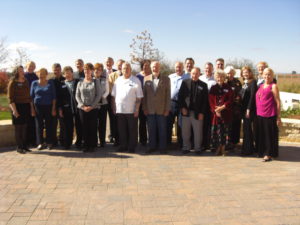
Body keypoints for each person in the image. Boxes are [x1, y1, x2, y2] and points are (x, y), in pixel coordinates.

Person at [111, 62, 143, 153]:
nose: (126, 70)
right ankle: (123, 146)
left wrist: (137, 109)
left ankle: (132, 146)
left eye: (127, 68)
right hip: (120, 110)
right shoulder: (118, 80)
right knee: (122, 130)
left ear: (131, 69)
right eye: (124, 68)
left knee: (132, 130)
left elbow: (139, 97)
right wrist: (114, 108)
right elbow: (113, 96)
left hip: (131, 110)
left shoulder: (136, 80)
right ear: (121, 69)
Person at [178, 67, 208, 154]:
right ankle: (186, 147)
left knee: (198, 132)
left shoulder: (203, 85)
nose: (194, 75)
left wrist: (202, 112)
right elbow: (180, 97)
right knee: (185, 132)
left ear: (199, 74)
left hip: (197, 113)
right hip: (186, 112)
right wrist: (182, 108)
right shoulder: (185, 82)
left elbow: (204, 101)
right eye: (193, 73)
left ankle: (197, 148)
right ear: (191, 73)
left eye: (196, 73)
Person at [143, 61, 170, 154]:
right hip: (150, 109)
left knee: (162, 130)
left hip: (161, 109)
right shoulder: (146, 79)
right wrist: (144, 108)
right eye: (154, 67)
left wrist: (167, 109)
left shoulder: (166, 79)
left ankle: (162, 148)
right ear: (151, 68)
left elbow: (168, 95)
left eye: (157, 66)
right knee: (151, 130)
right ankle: (152, 147)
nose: (155, 68)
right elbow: (144, 95)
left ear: (160, 68)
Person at [7, 66, 35, 153]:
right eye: (20, 71)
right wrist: (14, 110)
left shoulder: (26, 81)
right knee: (18, 128)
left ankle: (24, 146)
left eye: (23, 70)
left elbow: (29, 96)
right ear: (16, 72)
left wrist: (31, 108)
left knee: (25, 127)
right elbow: (10, 98)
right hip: (17, 106)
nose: (22, 72)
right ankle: (19, 147)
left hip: (26, 106)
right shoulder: (13, 82)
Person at [256, 68, 281, 162]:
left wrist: (278, 117)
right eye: (265, 74)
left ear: (272, 75)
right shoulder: (261, 85)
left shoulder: (273, 86)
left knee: (269, 135)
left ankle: (268, 154)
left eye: (269, 74)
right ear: (262, 75)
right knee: (262, 135)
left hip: (270, 114)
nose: (267, 76)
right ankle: (263, 152)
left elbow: (278, 102)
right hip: (260, 114)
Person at [75, 63, 101, 152]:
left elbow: (98, 95)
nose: (87, 72)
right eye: (85, 70)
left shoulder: (96, 81)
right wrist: (82, 106)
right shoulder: (80, 82)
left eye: (89, 70)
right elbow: (77, 95)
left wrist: (91, 106)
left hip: (93, 109)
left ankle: (92, 145)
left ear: (92, 71)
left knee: (93, 127)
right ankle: (85, 145)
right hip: (82, 109)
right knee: (84, 127)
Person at [209, 69, 233, 156]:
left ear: (224, 77)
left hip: (225, 114)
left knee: (224, 132)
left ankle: (223, 149)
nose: (220, 78)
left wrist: (222, 107)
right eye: (218, 77)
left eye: (222, 76)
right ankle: (217, 148)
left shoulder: (228, 88)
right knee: (217, 132)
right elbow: (211, 101)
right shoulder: (213, 88)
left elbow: (230, 100)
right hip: (216, 115)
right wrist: (216, 110)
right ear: (216, 77)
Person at [31, 68, 56, 150]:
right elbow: (31, 98)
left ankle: (49, 143)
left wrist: (53, 109)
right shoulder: (34, 83)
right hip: (37, 107)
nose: (41, 75)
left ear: (46, 74)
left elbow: (54, 97)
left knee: (49, 125)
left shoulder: (50, 83)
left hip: (49, 106)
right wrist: (32, 109)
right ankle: (40, 143)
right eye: (40, 73)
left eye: (43, 73)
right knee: (39, 125)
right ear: (37, 74)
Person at [167, 61, 190, 147]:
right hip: (171, 103)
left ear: (183, 67)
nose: (178, 68)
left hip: (182, 103)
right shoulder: (170, 77)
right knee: (169, 123)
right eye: (177, 67)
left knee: (181, 124)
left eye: (180, 67)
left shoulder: (188, 77)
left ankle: (181, 144)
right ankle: (168, 143)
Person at [57, 66, 80, 149]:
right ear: (64, 74)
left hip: (78, 108)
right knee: (68, 127)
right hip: (66, 109)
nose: (68, 74)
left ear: (72, 73)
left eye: (69, 72)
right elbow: (59, 98)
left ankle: (79, 143)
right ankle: (67, 144)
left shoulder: (78, 82)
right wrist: (60, 109)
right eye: (66, 73)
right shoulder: (61, 84)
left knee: (79, 126)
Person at [240, 66, 257, 156]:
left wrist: (248, 109)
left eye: (247, 72)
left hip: (248, 110)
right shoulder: (244, 83)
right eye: (244, 72)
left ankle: (247, 150)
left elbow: (252, 96)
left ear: (250, 73)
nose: (245, 74)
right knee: (247, 129)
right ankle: (249, 148)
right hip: (243, 109)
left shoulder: (253, 82)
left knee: (247, 129)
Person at [225, 66, 242, 150]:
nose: (230, 75)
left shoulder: (237, 82)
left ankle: (235, 144)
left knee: (235, 127)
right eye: (228, 73)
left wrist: (237, 98)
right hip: (227, 109)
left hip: (236, 109)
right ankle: (227, 144)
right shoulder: (224, 82)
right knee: (228, 127)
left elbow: (240, 93)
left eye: (231, 73)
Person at [108, 59, 124, 146]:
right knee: (115, 121)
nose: (120, 66)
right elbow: (111, 90)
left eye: (122, 65)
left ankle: (124, 139)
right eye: (119, 65)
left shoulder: (129, 75)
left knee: (123, 121)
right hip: (115, 101)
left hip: (125, 103)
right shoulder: (111, 76)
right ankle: (117, 139)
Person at [200, 62, 216, 150]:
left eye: (209, 68)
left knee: (211, 125)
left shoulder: (215, 79)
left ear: (212, 69)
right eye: (206, 68)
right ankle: (203, 144)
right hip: (202, 105)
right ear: (204, 69)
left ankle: (210, 144)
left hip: (212, 105)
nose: (208, 70)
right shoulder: (200, 78)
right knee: (202, 125)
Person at [136, 59, 152, 146]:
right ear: (142, 66)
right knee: (142, 122)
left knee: (150, 122)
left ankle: (152, 139)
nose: (146, 67)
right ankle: (143, 140)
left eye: (148, 65)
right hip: (140, 103)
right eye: (144, 65)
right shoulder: (137, 76)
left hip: (151, 103)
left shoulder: (152, 76)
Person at [94, 63, 109, 147]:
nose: (97, 71)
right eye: (96, 69)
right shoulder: (91, 79)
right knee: (94, 123)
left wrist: (102, 97)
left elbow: (107, 91)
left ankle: (102, 141)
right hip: (94, 105)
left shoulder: (105, 79)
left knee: (102, 123)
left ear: (101, 71)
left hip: (103, 103)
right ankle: (95, 140)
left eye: (99, 69)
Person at [51, 63, 65, 147]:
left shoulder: (64, 80)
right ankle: (54, 141)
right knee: (53, 125)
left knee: (63, 125)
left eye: (58, 70)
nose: (57, 71)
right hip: (53, 106)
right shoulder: (51, 81)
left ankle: (62, 140)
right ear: (53, 70)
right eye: (55, 70)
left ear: (61, 70)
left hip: (63, 106)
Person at [24, 61, 38, 147]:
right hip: (25, 101)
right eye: (29, 66)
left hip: (34, 101)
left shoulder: (36, 77)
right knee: (27, 121)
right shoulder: (24, 76)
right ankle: (27, 140)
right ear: (26, 66)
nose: (31, 67)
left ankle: (33, 140)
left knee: (33, 122)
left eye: (32, 66)